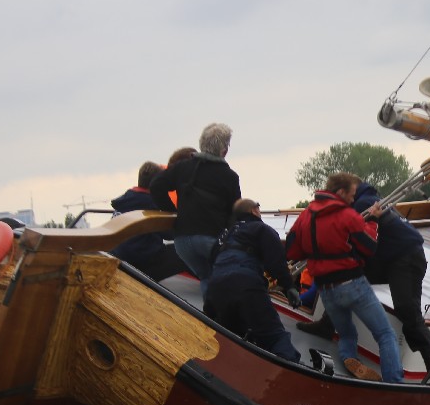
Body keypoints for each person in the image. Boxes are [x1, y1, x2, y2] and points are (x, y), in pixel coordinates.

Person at [285, 171, 403, 382]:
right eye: (352, 194)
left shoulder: (306, 215)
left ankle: (349, 359)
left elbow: (292, 249)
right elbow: (369, 247)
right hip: (352, 284)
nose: (353, 199)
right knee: (385, 334)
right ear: (340, 192)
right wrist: (373, 220)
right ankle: (394, 384)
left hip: (326, 289)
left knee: (346, 333)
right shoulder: (346, 215)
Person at [352, 182, 430, 385]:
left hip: (405, 259)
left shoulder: (363, 203)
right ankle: (327, 323)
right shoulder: (374, 200)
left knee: (407, 310)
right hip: (398, 257)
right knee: (350, 275)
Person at [204, 198, 301, 363]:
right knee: (274, 336)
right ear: (254, 210)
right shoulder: (262, 229)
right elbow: (276, 262)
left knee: (227, 334)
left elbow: (212, 260)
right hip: (245, 284)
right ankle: (289, 367)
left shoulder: (224, 234)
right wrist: (289, 287)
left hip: (215, 288)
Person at [150, 124, 241, 283]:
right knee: (226, 276)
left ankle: (209, 297)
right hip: (210, 239)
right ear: (224, 150)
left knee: (205, 276)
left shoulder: (183, 167)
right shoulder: (230, 176)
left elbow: (156, 186)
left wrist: (173, 212)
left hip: (182, 241)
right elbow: (236, 213)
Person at [109, 161, 188, 281]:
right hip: (141, 262)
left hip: (122, 259)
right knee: (188, 250)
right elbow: (169, 233)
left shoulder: (125, 201)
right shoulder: (150, 204)